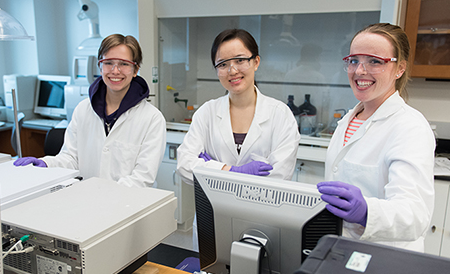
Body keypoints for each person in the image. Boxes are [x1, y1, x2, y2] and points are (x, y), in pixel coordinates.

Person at [316, 23, 435, 252]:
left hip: (386, 257)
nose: (360, 71)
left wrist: (367, 212)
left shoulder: (410, 127)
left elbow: (415, 214)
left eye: (374, 61)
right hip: (344, 248)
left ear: (399, 68)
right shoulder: (349, 119)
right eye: (354, 60)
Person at [13, 34, 166, 188]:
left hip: (128, 204)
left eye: (124, 64)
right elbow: (71, 158)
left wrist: (104, 195)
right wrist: (46, 163)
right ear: (100, 66)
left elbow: (142, 178)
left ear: (135, 69)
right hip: (87, 200)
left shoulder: (152, 118)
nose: (115, 70)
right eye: (108, 62)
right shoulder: (83, 109)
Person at [177, 28, 300, 185]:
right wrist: (233, 171)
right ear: (216, 70)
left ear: (256, 62)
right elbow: (184, 165)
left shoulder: (280, 115)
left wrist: (212, 169)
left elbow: (278, 179)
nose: (232, 70)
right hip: (214, 209)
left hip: (259, 209)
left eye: (240, 60)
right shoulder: (207, 113)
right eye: (223, 64)